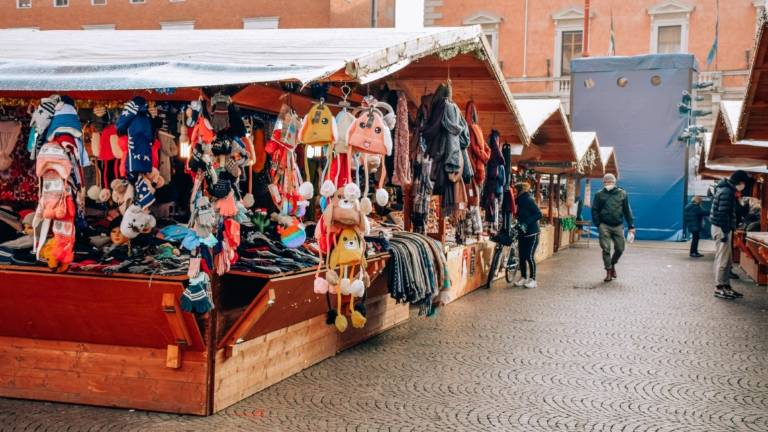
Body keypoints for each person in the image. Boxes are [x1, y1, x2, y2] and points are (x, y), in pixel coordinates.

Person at [709, 170, 750, 300]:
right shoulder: (727, 192)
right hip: (722, 228)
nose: (744, 186)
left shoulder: (726, 190)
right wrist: (726, 231)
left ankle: (726, 286)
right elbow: (722, 214)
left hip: (722, 228)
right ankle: (719, 287)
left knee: (727, 260)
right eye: (744, 183)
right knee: (723, 260)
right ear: (740, 182)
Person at [592, 173, 634, 282]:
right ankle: (609, 271)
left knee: (620, 248)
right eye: (606, 182)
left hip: (618, 225)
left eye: (610, 182)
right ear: (603, 183)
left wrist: (631, 226)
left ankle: (613, 263)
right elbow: (594, 210)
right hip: (604, 225)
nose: (608, 184)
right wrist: (598, 224)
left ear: (615, 182)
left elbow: (627, 210)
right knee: (606, 248)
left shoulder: (622, 194)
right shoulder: (599, 194)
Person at [513, 182, 542, 289]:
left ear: (521, 191)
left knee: (529, 256)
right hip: (522, 233)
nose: (514, 192)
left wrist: (526, 222)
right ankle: (523, 277)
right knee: (521, 257)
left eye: (515, 190)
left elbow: (539, 214)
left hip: (532, 233)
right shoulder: (518, 201)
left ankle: (533, 280)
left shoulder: (528, 200)